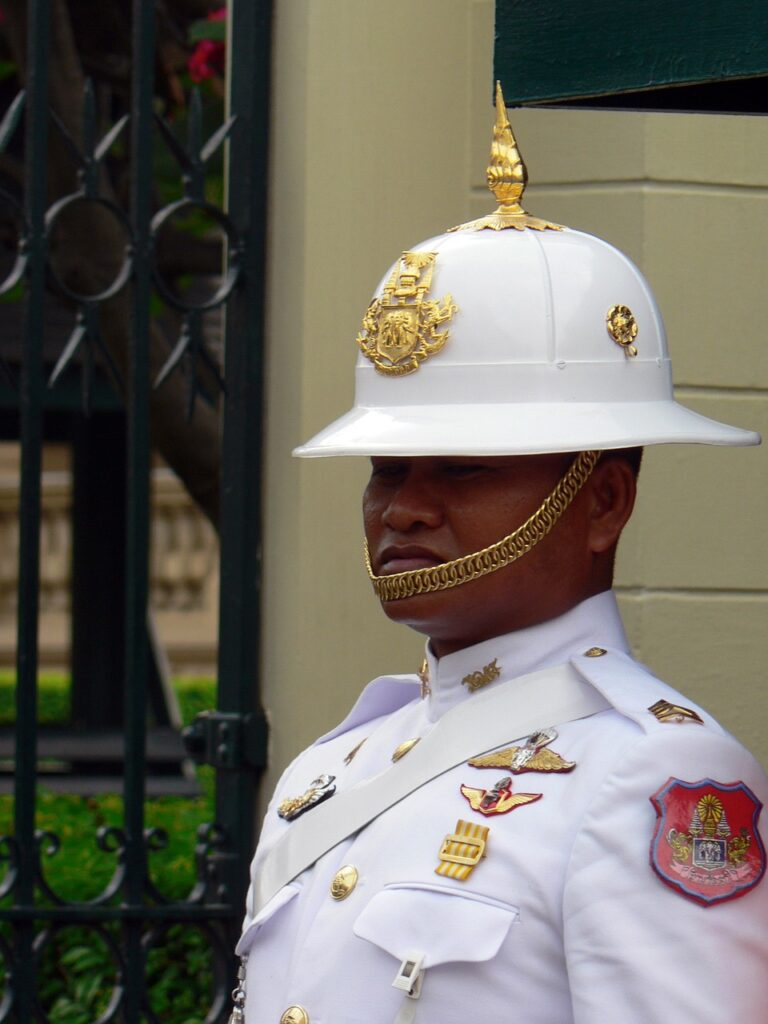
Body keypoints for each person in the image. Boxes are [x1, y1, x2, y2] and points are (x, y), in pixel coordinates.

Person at [230, 85, 768, 1024]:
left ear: (603, 502)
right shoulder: (333, 770)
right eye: (387, 469)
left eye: (463, 469)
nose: (404, 508)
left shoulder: (651, 780)